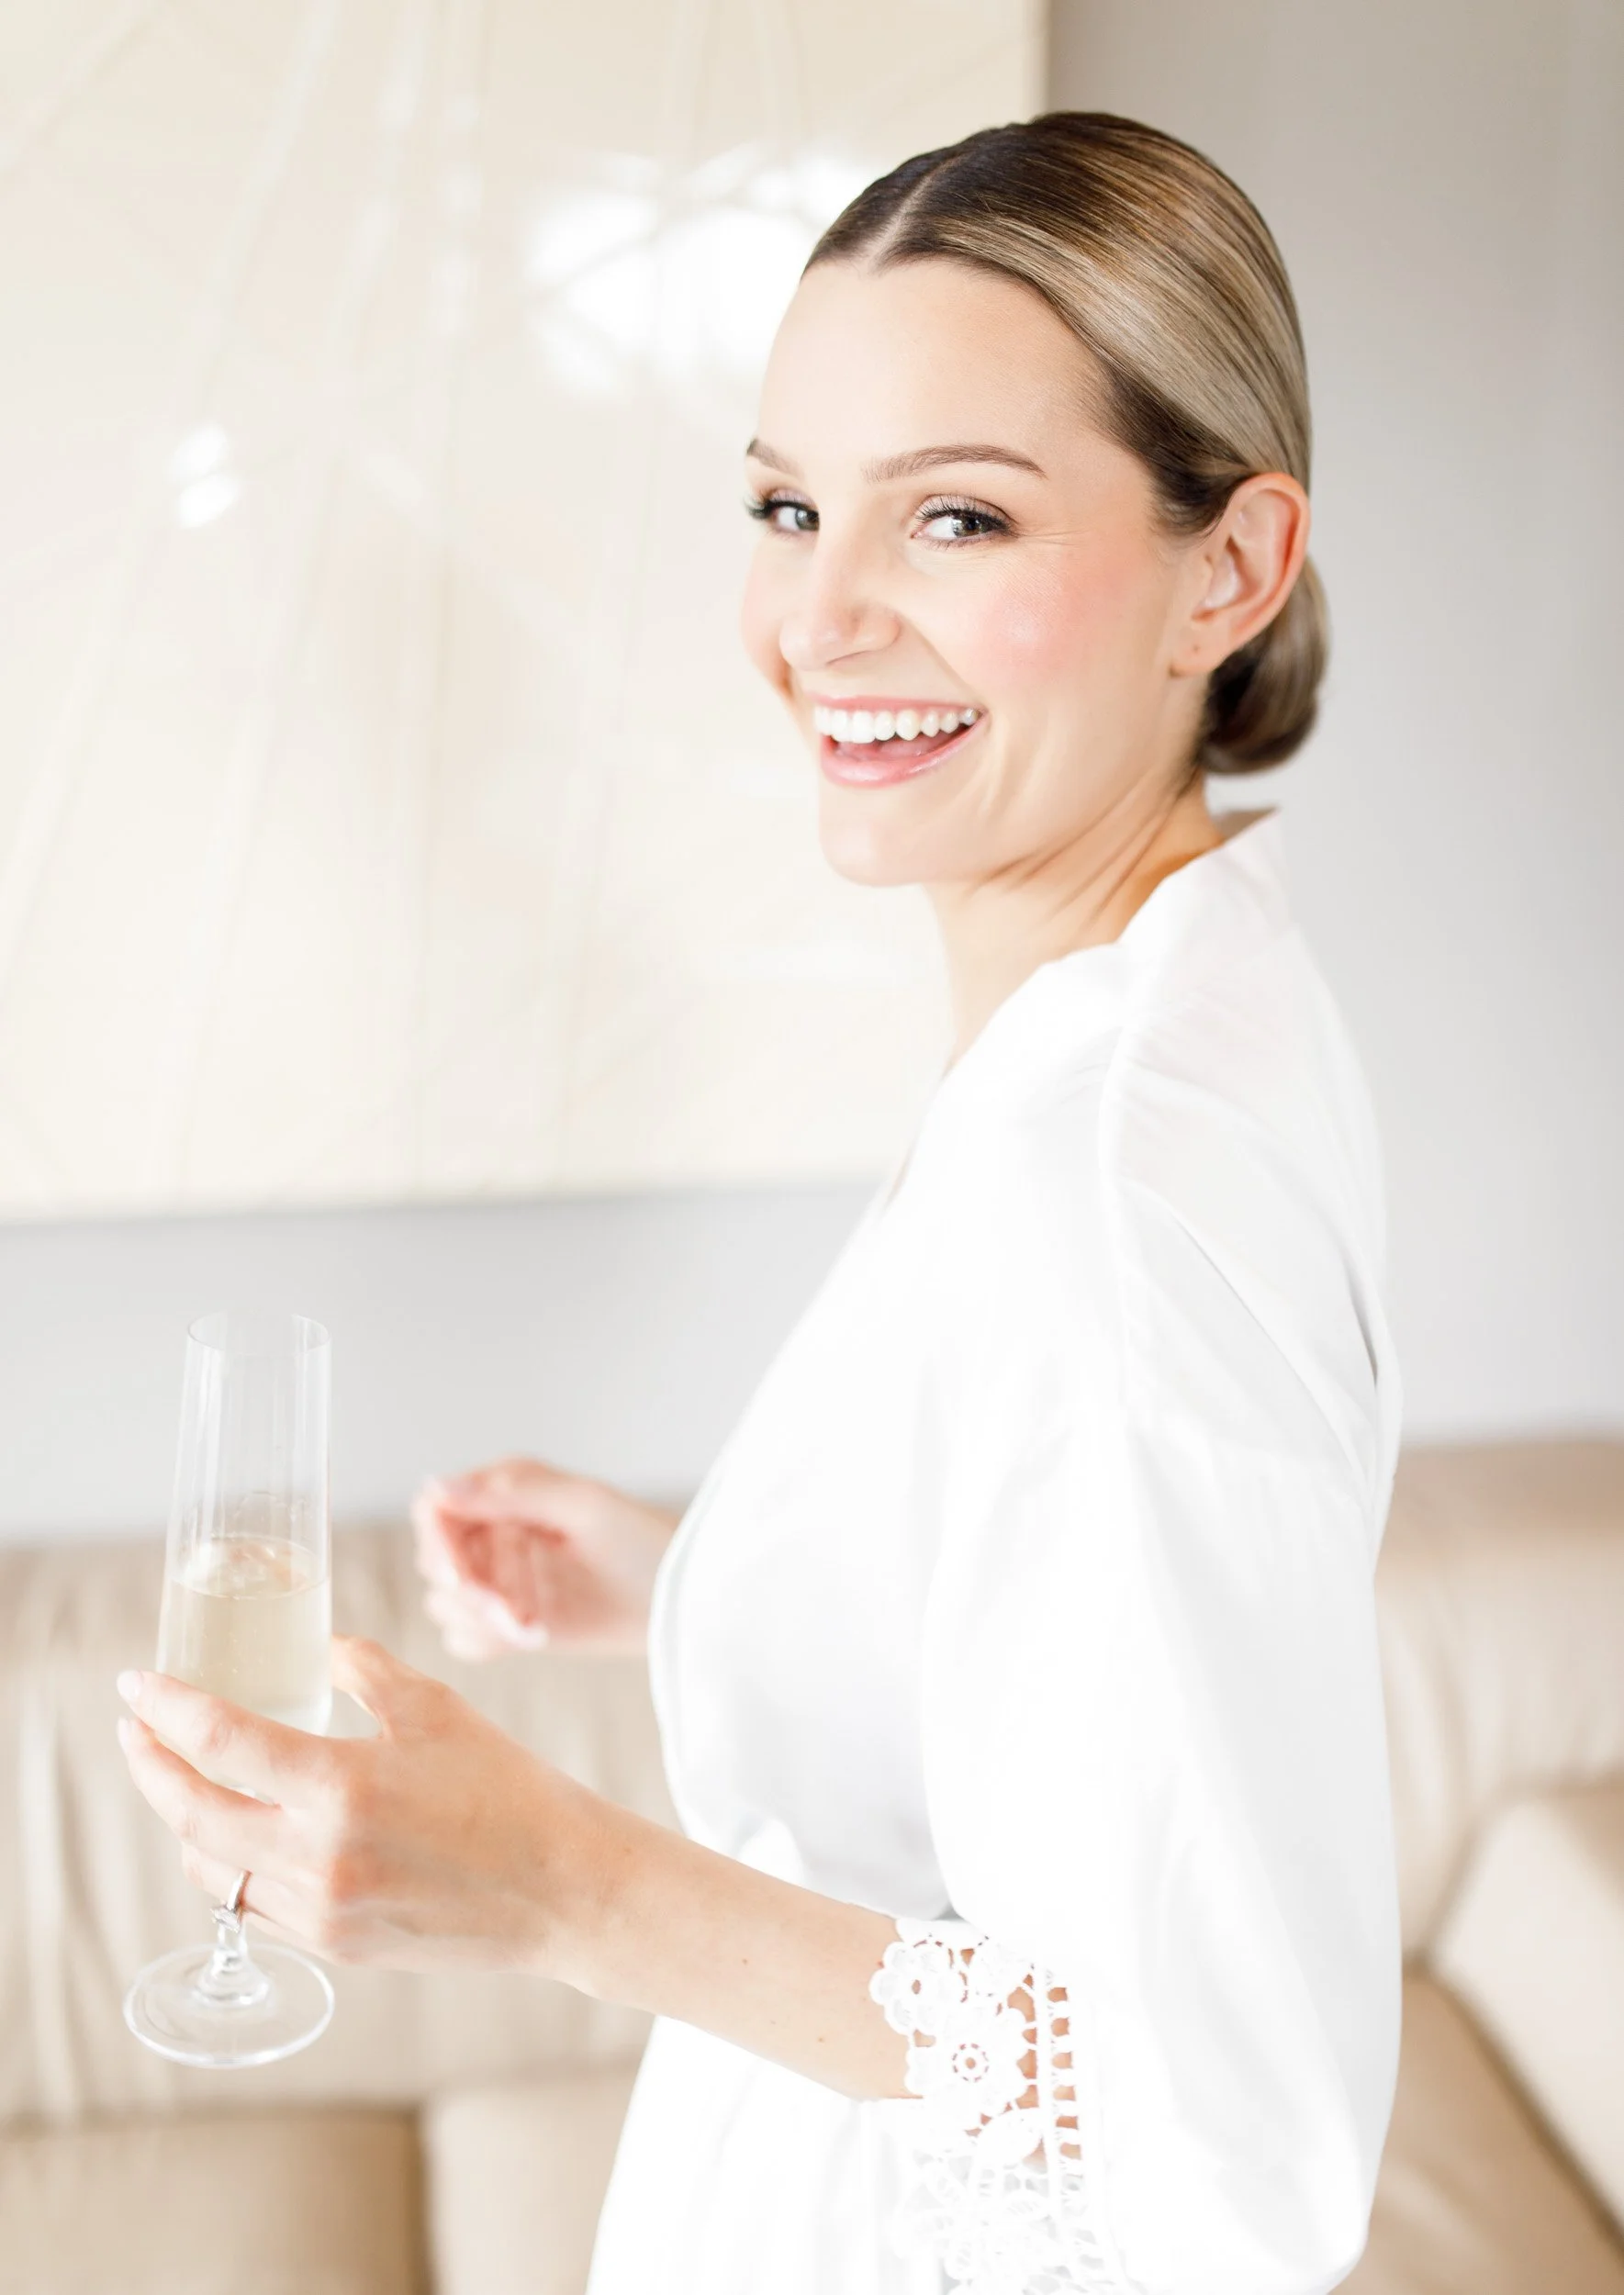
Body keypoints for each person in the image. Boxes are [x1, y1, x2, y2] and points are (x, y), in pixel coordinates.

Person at [118, 112, 1404, 2295]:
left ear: (1230, 564)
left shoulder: (1113, 1189)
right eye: (788, 504)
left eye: (958, 514)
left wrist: (561, 1885)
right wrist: (705, 1573)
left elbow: (1221, 2148)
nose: (815, 615)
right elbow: (1073, 1585)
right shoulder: (1163, 993)